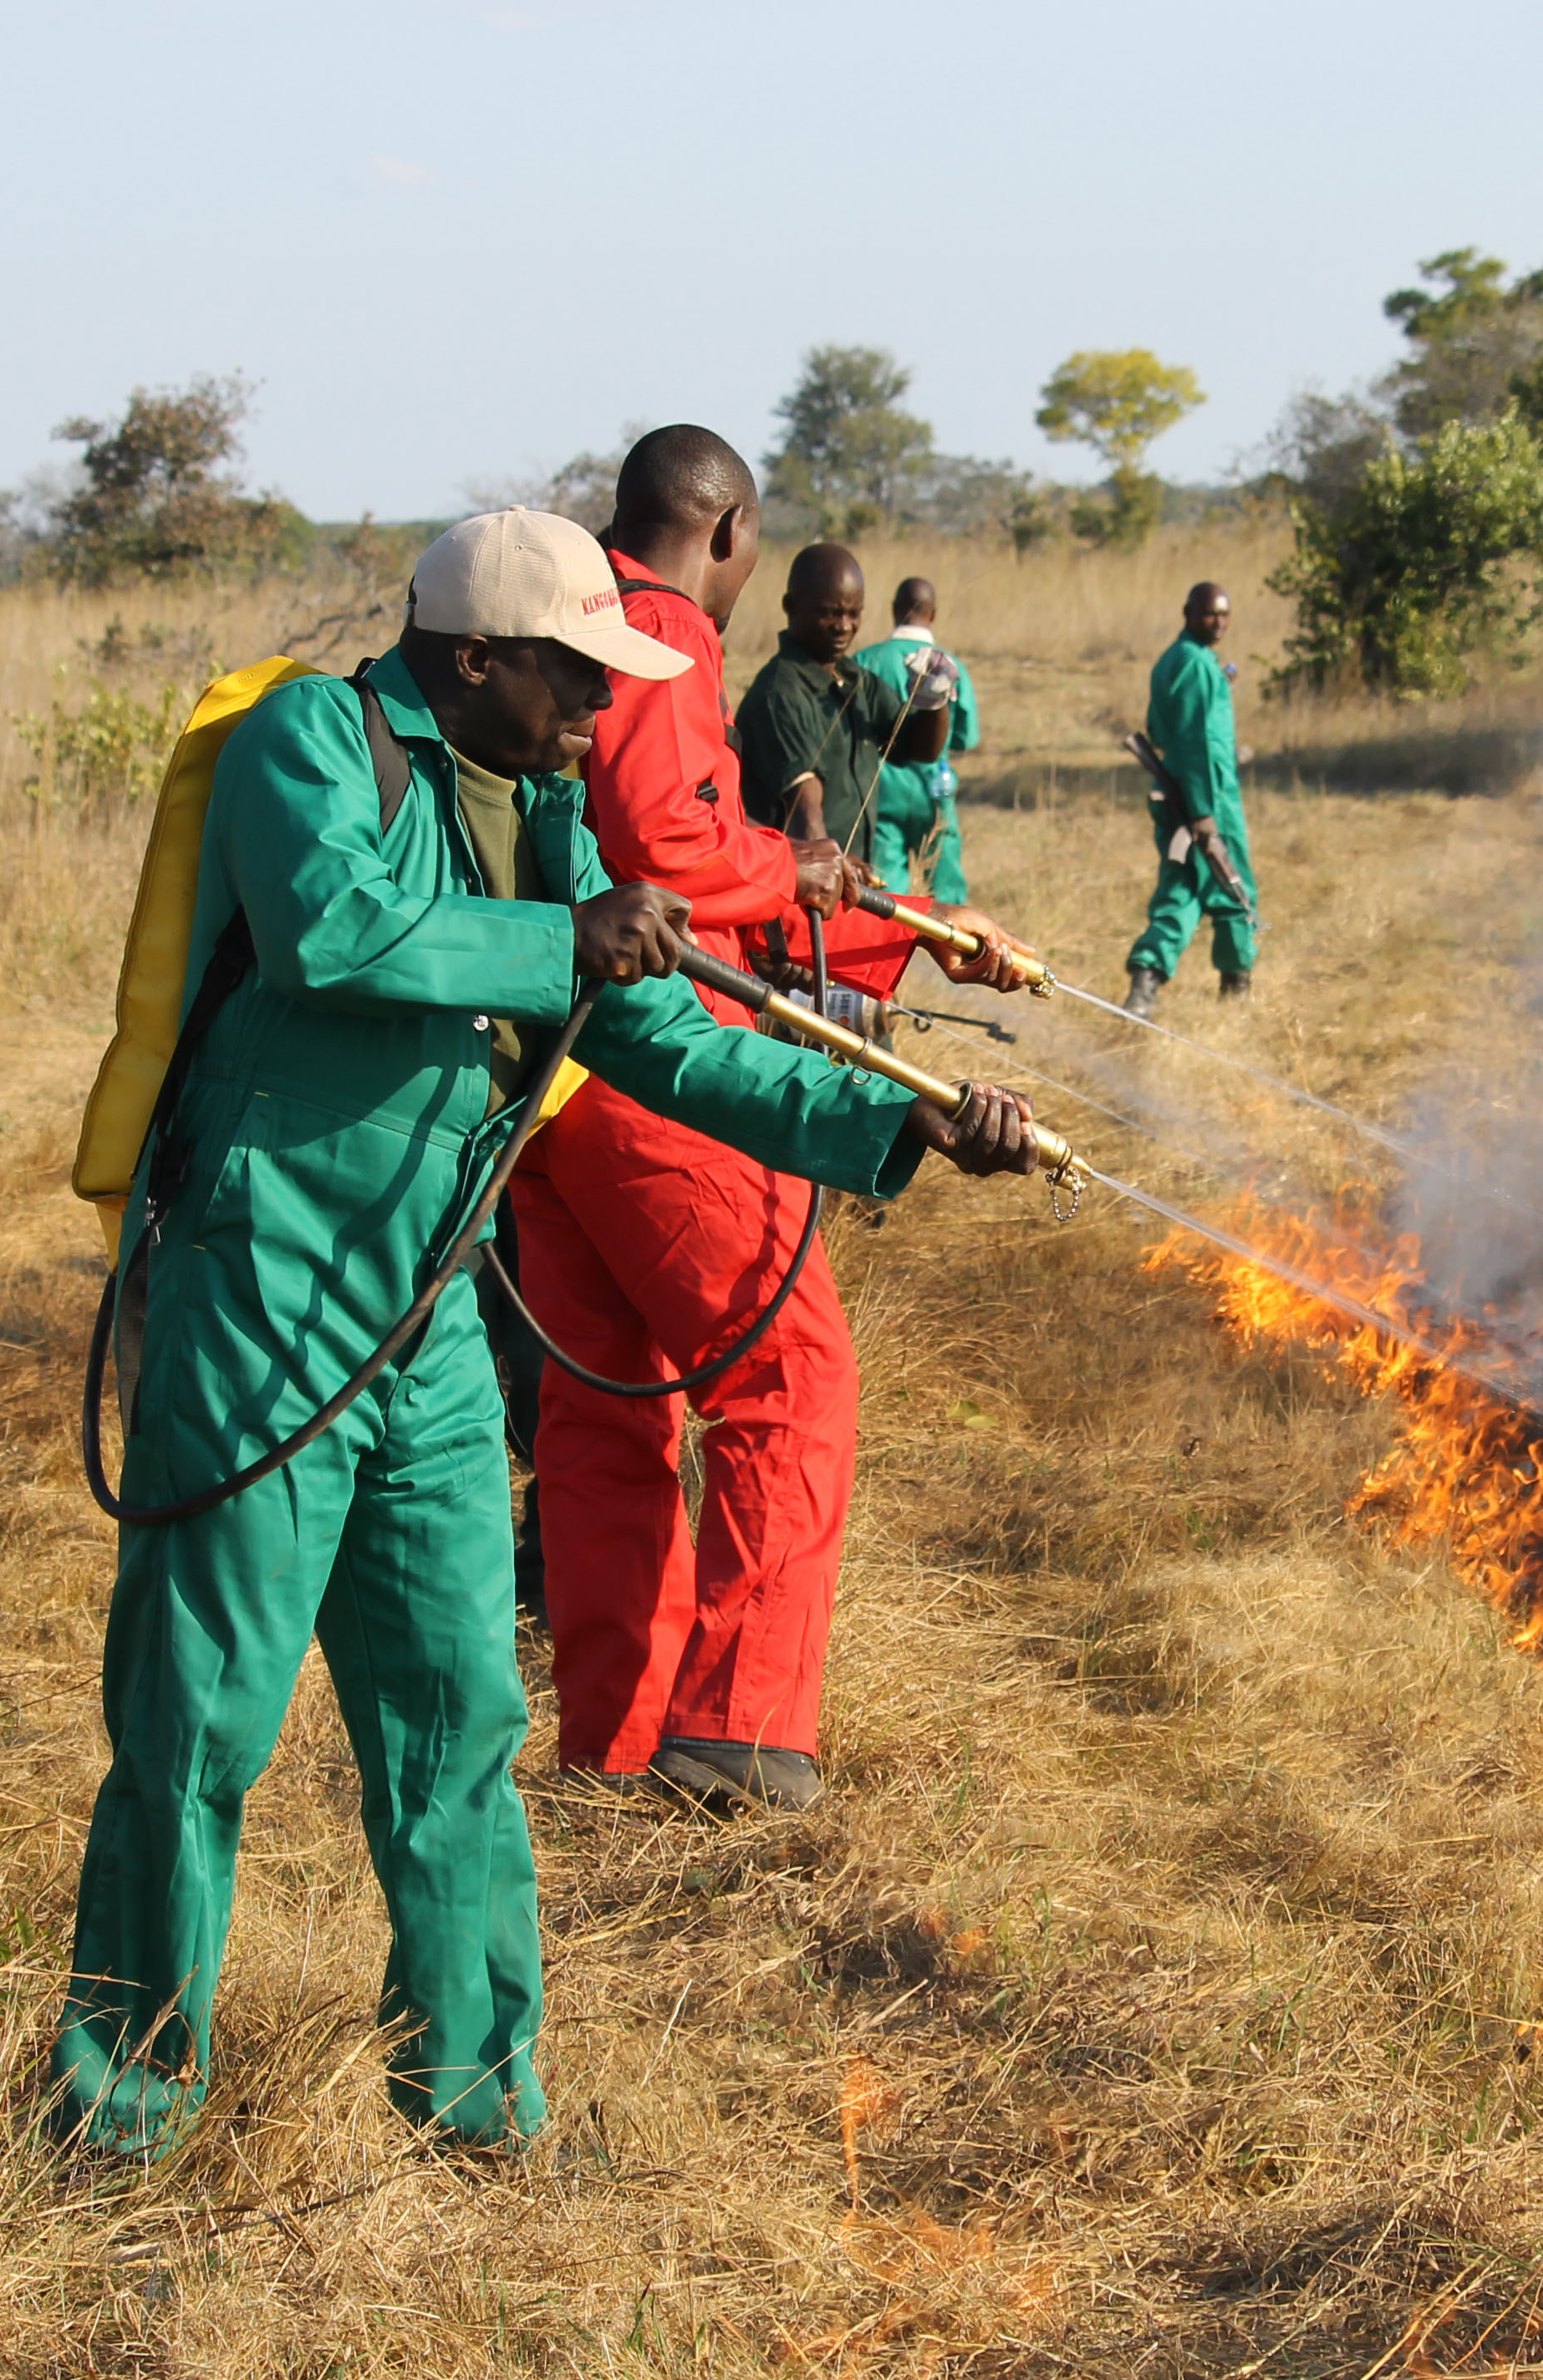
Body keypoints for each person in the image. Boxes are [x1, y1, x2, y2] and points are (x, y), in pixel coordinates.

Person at [54, 507, 1040, 2159]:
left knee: (455, 1723)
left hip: (432, 1327)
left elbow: (663, 1036)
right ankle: (123, 2107)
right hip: (263, 1306)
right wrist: (555, 940)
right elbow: (335, 930)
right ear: (479, 656)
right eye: (582, 675)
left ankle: (481, 2104)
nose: (607, 707)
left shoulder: (560, 815)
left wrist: (902, 1117)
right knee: (200, 1718)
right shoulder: (317, 733)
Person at [511, 432, 1036, 1810]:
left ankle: (618, 1739)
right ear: (730, 529)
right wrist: (800, 872)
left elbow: (698, 871)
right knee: (789, 1377)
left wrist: (889, 923)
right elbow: (675, 858)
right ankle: (740, 1736)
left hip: (543, 1082)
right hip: (644, 1072)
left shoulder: (556, 618)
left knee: (611, 1401)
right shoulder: (661, 626)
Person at [732, 542, 953, 856]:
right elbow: (804, 814)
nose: (844, 627)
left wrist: (933, 700)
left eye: (854, 613)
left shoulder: (855, 680)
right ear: (790, 607)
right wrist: (835, 871)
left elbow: (920, 748)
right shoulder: (779, 694)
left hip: (843, 874)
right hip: (801, 883)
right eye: (830, 613)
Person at [1124, 581, 1255, 1020]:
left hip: (1179, 795)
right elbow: (1197, 742)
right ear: (1188, 612)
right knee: (1233, 890)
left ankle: (1145, 981)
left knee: (1180, 890)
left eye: (1225, 614)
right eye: (1209, 613)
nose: (1218, 622)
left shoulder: (1174, 661)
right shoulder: (1197, 665)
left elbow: (1161, 732)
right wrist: (1203, 813)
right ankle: (1237, 993)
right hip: (1206, 804)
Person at [849, 577, 978, 901]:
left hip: (881, 794)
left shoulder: (865, 662)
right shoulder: (950, 665)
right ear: (932, 614)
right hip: (934, 792)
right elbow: (966, 736)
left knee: (884, 893)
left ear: (894, 610)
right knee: (947, 889)